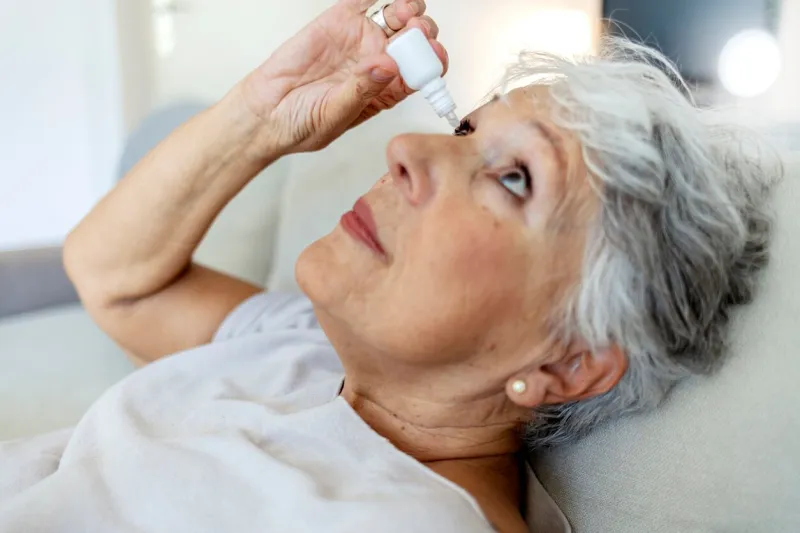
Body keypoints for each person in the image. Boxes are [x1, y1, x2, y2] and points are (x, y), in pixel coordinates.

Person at [0, 0, 781, 532]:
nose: (406, 148)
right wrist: (263, 116)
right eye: (467, 131)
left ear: (570, 361)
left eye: (515, 179)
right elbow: (114, 276)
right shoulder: (309, 348)